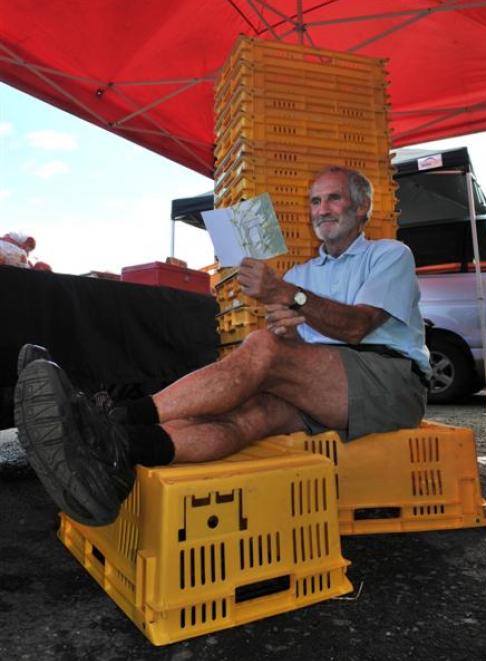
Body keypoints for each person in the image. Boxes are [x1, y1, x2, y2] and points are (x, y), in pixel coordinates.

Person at [14, 166, 431, 527]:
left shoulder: (389, 254)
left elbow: (357, 327)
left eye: (333, 199)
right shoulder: (306, 271)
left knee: (262, 346)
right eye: (315, 201)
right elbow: (311, 343)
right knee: (247, 415)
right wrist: (291, 330)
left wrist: (289, 297)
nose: (321, 209)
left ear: (361, 208)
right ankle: (119, 454)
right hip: (329, 387)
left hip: (389, 383)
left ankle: (108, 417)